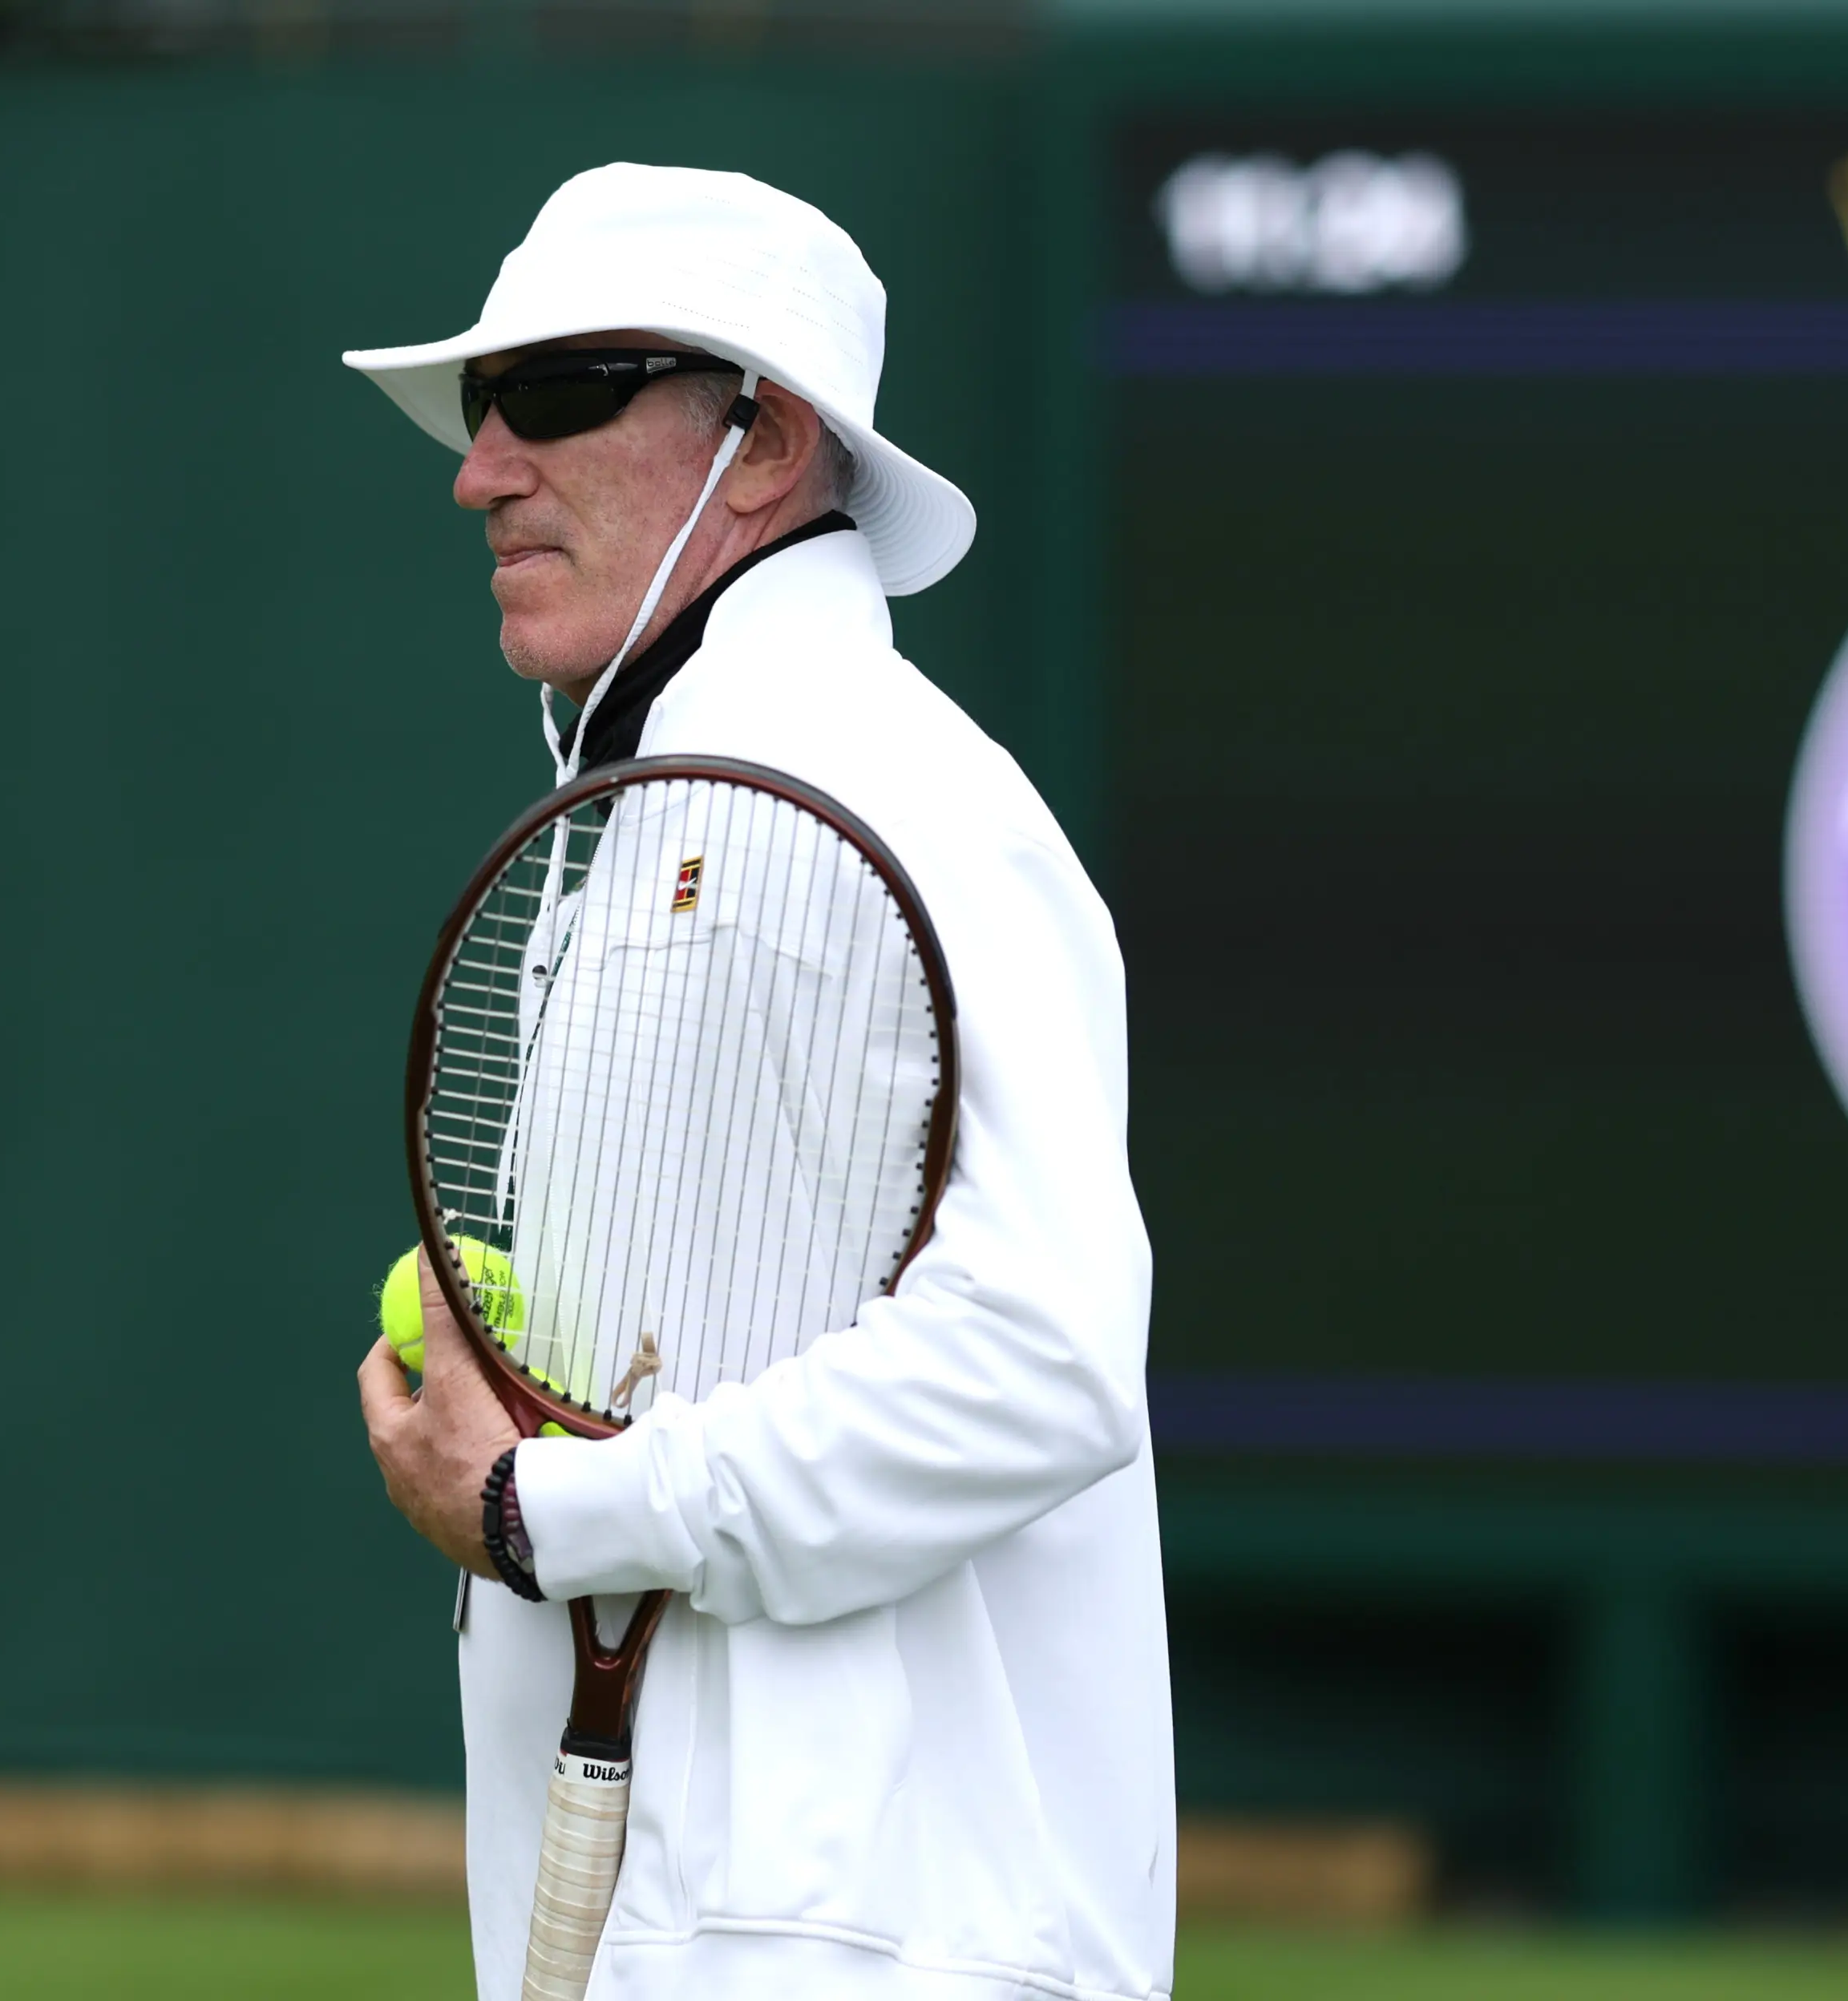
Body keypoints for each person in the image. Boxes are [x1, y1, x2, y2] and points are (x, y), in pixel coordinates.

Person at [345, 163, 1171, 2001]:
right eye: (481, 410)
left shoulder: (901, 791)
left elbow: (1043, 1354)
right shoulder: (641, 821)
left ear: (768, 441)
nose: (482, 467)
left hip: (879, 1952)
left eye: (553, 396)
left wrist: (554, 1509)